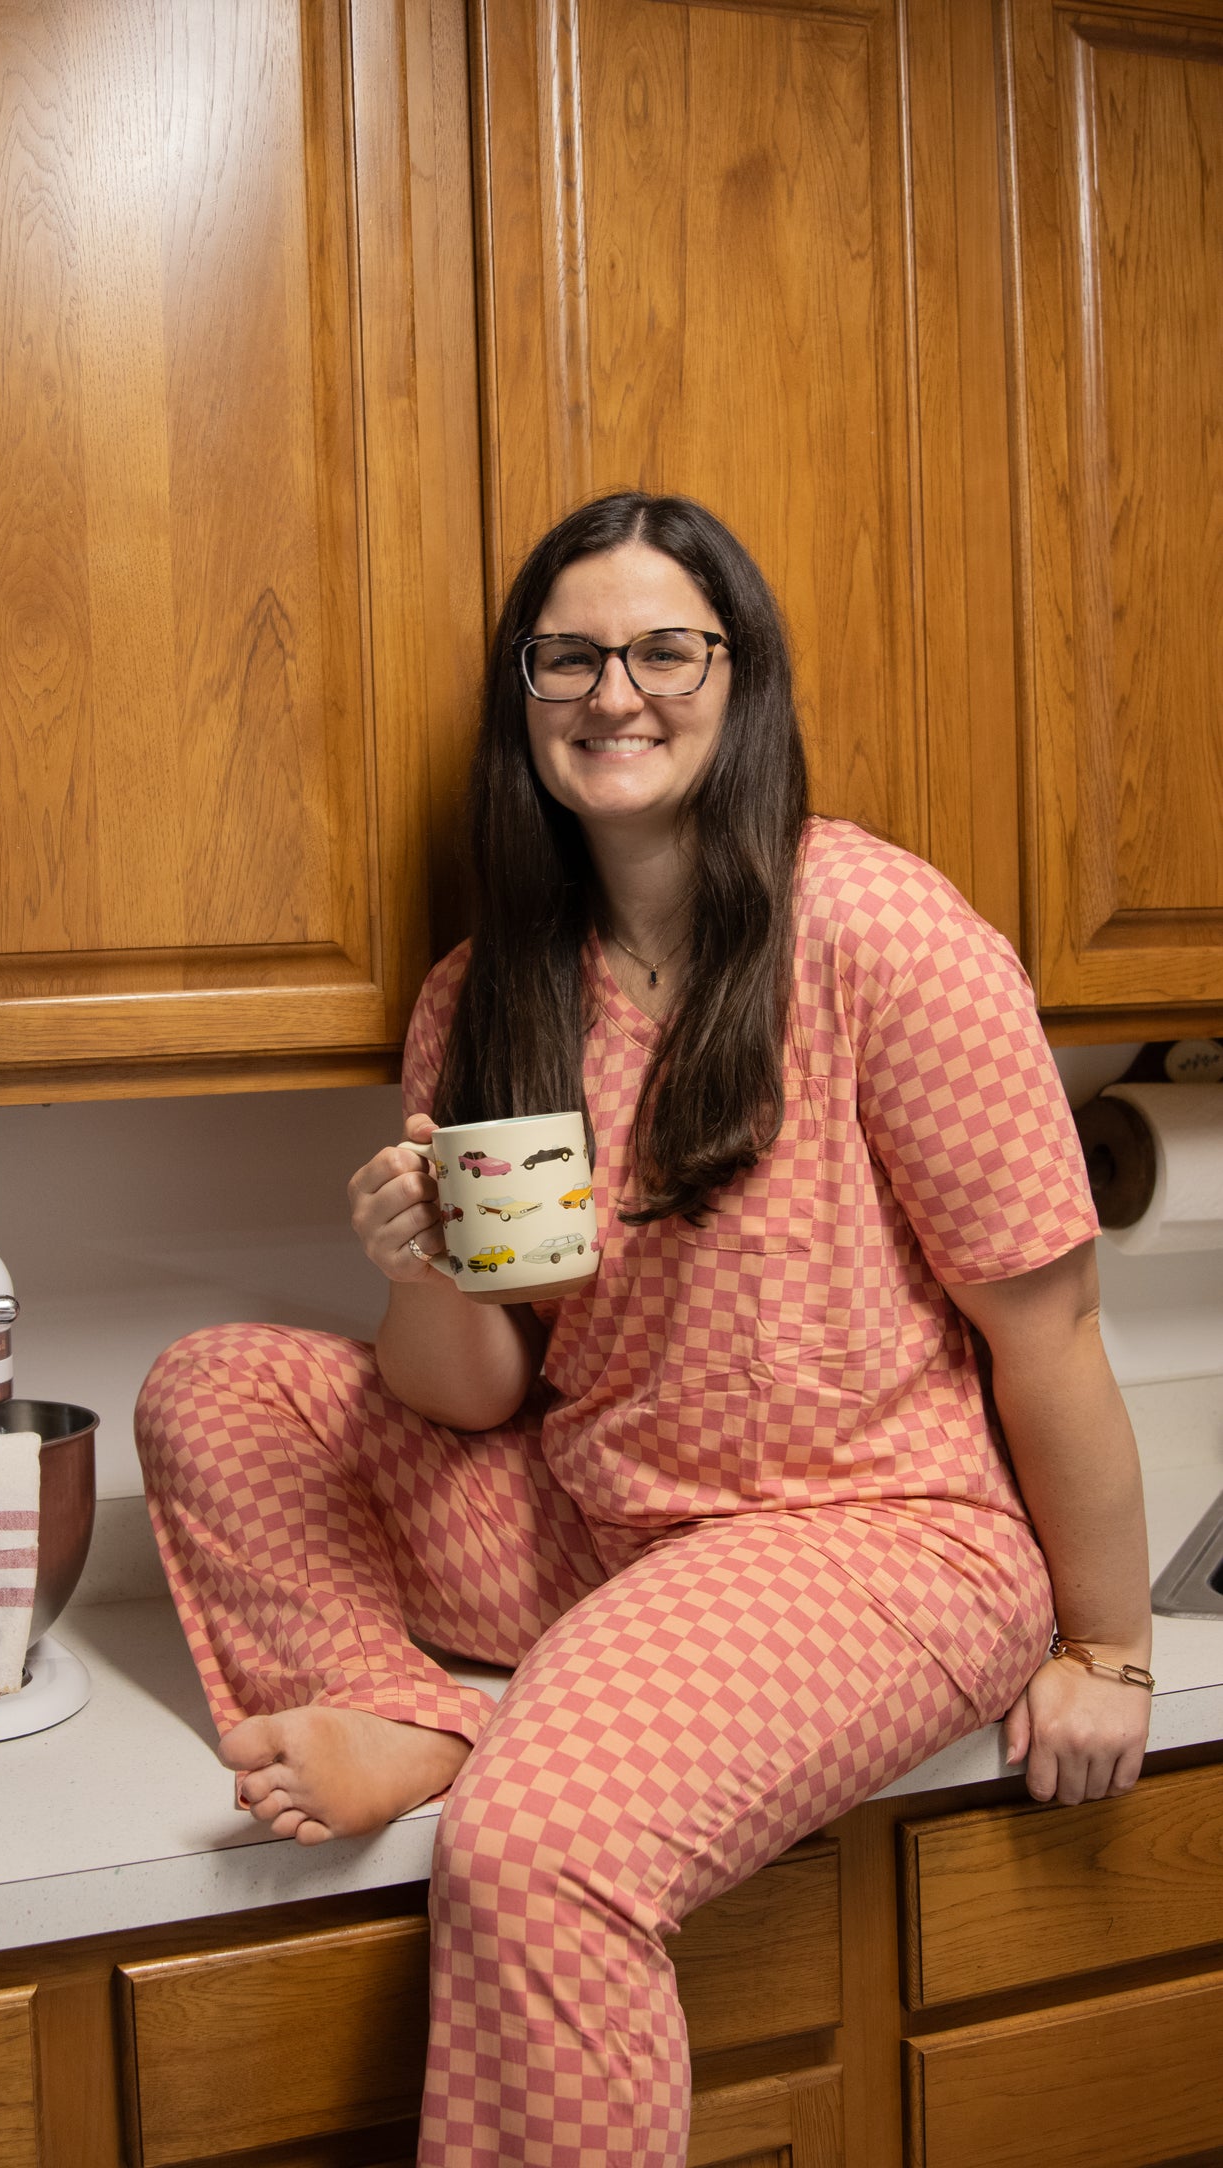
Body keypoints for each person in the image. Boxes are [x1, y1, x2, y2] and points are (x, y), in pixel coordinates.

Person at [136, 491, 1153, 2168]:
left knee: (534, 1852)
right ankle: (423, 1715)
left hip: (871, 1542)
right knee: (216, 1387)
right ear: (521, 699)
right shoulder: (486, 991)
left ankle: (496, 1755)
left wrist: (1106, 1651)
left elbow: (1050, 1325)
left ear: (739, 677)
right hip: (597, 1529)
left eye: (665, 648)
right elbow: (471, 1402)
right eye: (568, 658)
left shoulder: (878, 933)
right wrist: (421, 1269)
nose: (615, 693)